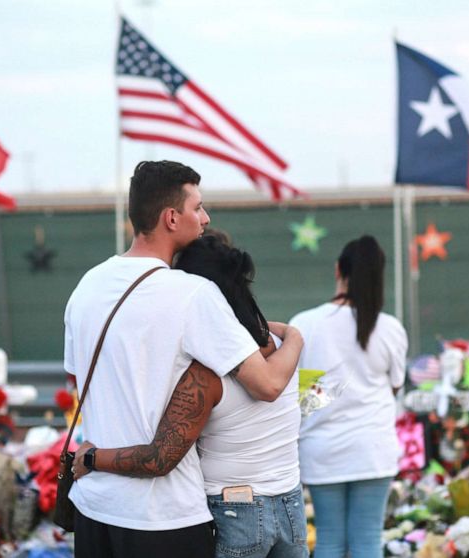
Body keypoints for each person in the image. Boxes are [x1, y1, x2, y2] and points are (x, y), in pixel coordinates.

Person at [63, 161, 303, 558]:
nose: (206, 219)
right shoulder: (192, 293)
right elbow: (267, 384)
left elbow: (78, 378)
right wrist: (295, 335)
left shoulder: (87, 285)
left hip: (94, 506)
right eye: (198, 208)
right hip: (164, 517)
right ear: (171, 218)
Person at [289, 235, 408, 558]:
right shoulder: (390, 328)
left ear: (338, 269)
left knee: (328, 541)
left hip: (321, 449)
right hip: (373, 450)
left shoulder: (305, 324)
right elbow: (396, 386)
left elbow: (302, 393)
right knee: (368, 541)